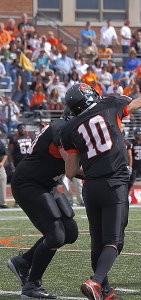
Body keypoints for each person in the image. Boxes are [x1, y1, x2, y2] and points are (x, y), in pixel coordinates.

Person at [60, 83, 141, 300]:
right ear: (90, 96)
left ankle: (104, 291)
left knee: (97, 241)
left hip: (91, 187)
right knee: (114, 241)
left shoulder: (69, 129)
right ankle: (95, 282)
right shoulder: (109, 104)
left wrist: (95, 170)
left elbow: (71, 171)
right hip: (115, 182)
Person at [7, 109, 79, 298]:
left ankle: (22, 262)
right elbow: (72, 166)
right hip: (29, 184)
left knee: (70, 233)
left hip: (48, 183)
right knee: (56, 236)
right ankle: (31, 286)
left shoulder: (65, 127)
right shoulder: (60, 128)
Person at [0, 136, 7, 208]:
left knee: (3, 179)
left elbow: (5, 154)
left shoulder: (0, 143)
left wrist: (2, 162)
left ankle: (2, 202)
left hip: (0, 166)